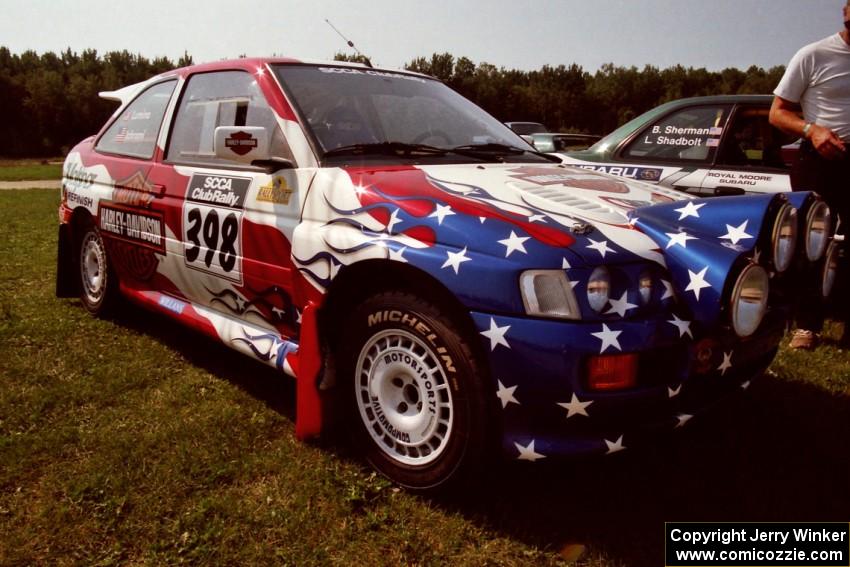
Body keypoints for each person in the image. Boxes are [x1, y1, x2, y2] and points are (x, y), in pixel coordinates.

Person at [769, 1, 850, 350]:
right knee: (812, 243)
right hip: (819, 159)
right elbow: (777, 112)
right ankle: (807, 324)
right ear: (846, 12)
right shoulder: (814, 54)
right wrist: (811, 130)